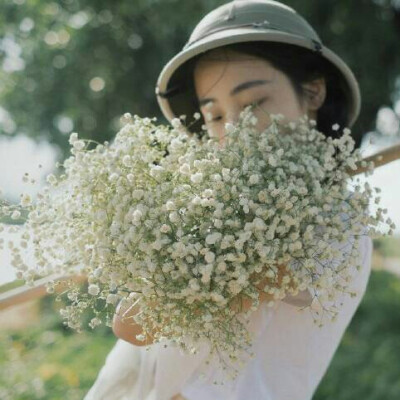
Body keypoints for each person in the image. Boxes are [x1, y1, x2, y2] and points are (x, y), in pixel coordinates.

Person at [84, 1, 372, 399]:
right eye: (215, 116)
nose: (235, 131)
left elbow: (137, 321)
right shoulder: (213, 213)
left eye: (253, 104)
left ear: (314, 92)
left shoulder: (339, 219)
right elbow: (134, 329)